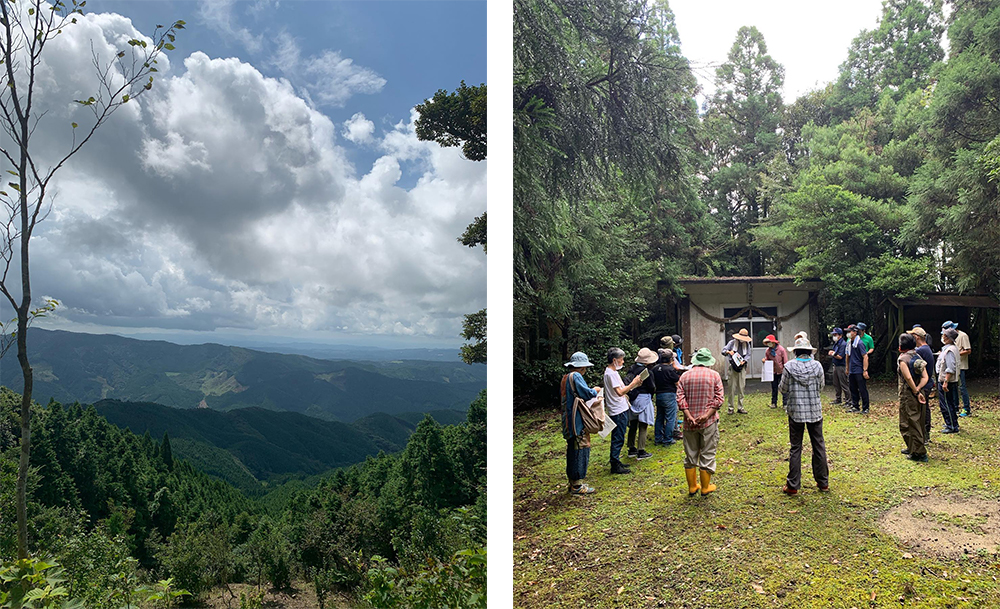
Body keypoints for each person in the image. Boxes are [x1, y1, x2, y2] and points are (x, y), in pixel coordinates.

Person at [779, 336, 829, 494]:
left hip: (795, 413)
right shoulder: (818, 366)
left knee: (796, 447)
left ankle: (793, 485)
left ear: (796, 352)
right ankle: (823, 483)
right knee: (819, 446)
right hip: (814, 411)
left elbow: (783, 389)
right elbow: (821, 387)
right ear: (809, 351)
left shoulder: (789, 366)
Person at [676, 348, 724, 497]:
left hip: (689, 423)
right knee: (707, 452)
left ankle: (692, 487)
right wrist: (707, 415)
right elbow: (719, 399)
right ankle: (705, 487)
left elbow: (680, 398)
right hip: (708, 422)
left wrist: (689, 415)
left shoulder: (684, 376)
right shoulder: (714, 375)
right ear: (708, 362)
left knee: (690, 453)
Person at [561, 352, 602, 494]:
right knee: (581, 448)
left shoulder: (566, 377)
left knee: (573, 449)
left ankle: (573, 483)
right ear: (582, 367)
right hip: (576, 421)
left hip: (568, 419)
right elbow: (587, 393)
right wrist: (595, 390)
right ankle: (577, 485)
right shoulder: (576, 376)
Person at [603, 348, 644, 475]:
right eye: (621, 360)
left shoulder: (612, 372)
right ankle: (614, 464)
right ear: (614, 360)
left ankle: (616, 461)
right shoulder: (610, 373)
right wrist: (633, 383)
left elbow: (622, 389)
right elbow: (620, 392)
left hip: (620, 407)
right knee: (618, 437)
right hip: (617, 410)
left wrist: (636, 384)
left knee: (619, 436)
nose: (623, 362)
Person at [897, 333, 929, 462]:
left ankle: (919, 452)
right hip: (919, 391)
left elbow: (908, 377)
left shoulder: (903, 359)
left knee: (909, 422)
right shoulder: (917, 356)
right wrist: (919, 389)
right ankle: (912, 447)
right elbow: (925, 377)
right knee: (917, 420)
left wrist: (915, 391)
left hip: (908, 394)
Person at [625, 348, 658, 460]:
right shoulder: (647, 372)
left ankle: (631, 448)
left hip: (632, 397)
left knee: (633, 424)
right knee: (643, 425)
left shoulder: (631, 369)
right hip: (643, 398)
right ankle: (641, 450)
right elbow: (652, 387)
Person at [909, 326, 936, 443]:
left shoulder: (920, 351)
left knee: (922, 410)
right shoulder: (926, 349)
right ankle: (925, 434)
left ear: (917, 337)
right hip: (927, 383)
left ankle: (924, 435)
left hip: (923, 384)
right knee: (925, 409)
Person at [652, 349, 683, 447]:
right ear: (670, 359)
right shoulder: (670, 370)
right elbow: (677, 383)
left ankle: (658, 438)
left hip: (659, 395)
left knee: (659, 417)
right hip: (669, 395)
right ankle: (668, 439)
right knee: (670, 418)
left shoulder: (655, 368)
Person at [943, 321, 973, 416]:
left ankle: (966, 408)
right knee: (954, 387)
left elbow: (968, 350)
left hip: (961, 365)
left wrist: (954, 354)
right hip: (953, 365)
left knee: (962, 387)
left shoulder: (963, 336)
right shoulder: (946, 338)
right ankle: (955, 408)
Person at [936, 328, 961, 434]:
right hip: (948, 380)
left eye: (944, 335)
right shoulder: (951, 348)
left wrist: (945, 381)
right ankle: (952, 423)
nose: (942, 336)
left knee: (946, 403)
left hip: (947, 381)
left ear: (947, 338)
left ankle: (951, 425)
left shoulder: (950, 350)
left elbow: (950, 367)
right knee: (949, 402)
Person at [722, 328, 752, 414]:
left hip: (742, 367)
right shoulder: (732, 343)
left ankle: (740, 407)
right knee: (731, 388)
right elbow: (723, 351)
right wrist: (728, 352)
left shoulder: (747, 344)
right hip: (733, 367)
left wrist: (744, 361)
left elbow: (748, 354)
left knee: (741, 387)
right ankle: (730, 408)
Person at [846, 325, 870, 414]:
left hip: (859, 370)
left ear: (855, 332)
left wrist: (865, 370)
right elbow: (847, 356)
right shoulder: (849, 343)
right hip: (852, 369)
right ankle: (855, 406)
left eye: (850, 331)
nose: (848, 333)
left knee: (862, 389)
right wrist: (847, 368)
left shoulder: (859, 343)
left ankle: (865, 408)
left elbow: (865, 356)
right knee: (853, 388)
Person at [762, 334, 788, 409]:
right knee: (774, 387)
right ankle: (774, 403)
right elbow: (767, 359)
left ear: (774, 342)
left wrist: (785, 371)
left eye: (770, 342)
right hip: (772, 372)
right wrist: (764, 360)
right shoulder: (768, 351)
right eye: (768, 343)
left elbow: (785, 361)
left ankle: (785, 403)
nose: (769, 344)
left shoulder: (781, 350)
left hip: (781, 371)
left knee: (784, 388)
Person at [827, 328, 848, 406]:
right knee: (836, 383)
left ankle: (848, 400)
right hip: (836, 365)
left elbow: (840, 356)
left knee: (844, 384)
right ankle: (838, 399)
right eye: (833, 335)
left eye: (835, 335)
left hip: (841, 366)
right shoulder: (836, 343)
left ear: (840, 335)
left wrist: (832, 354)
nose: (834, 336)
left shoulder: (843, 344)